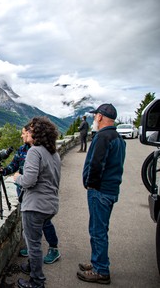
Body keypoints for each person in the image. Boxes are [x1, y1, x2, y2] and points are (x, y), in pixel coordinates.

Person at [77, 103, 126, 285]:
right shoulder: (118, 138)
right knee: (100, 229)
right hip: (111, 190)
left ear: (99, 117)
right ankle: (97, 262)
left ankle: (101, 271)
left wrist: (90, 185)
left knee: (97, 231)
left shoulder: (103, 137)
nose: (93, 119)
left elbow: (97, 164)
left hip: (100, 191)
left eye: (94, 116)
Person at [14, 117, 61, 288]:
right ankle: (31, 266)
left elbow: (28, 181)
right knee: (36, 241)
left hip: (35, 206)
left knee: (33, 244)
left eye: (31, 129)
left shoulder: (35, 151)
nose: (27, 132)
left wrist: (17, 177)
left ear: (37, 132)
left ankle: (37, 282)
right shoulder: (53, 153)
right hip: (50, 205)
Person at [2, 127, 60, 265]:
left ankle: (52, 249)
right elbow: (13, 166)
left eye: (24, 133)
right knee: (30, 223)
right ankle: (31, 252)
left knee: (44, 222)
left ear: (31, 133)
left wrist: (19, 178)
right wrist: (3, 171)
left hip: (36, 195)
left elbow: (31, 179)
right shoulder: (22, 150)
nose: (22, 136)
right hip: (23, 191)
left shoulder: (39, 151)